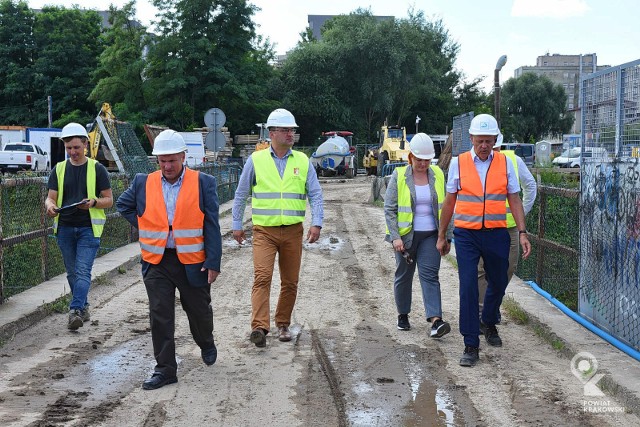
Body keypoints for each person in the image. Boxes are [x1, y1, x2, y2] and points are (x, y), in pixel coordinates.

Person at [116, 130, 222, 390]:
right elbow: (123, 205)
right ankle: (165, 369)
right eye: (162, 161)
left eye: (172, 160)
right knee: (160, 315)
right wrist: (148, 227)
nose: (167, 166)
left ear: (183, 157)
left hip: (193, 260)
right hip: (157, 260)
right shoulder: (143, 182)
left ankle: (205, 342)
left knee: (199, 311)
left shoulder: (203, 182)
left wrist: (213, 261)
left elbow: (212, 225)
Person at [436, 114, 531, 367]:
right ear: (471, 139)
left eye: (489, 141)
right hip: (466, 235)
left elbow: (514, 198)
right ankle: (470, 343)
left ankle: (488, 320)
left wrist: (522, 232)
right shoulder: (459, 163)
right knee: (468, 285)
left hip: (497, 233)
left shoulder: (504, 163)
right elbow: (450, 201)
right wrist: (442, 235)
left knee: (499, 280)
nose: (484, 146)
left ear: (494, 140)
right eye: (480, 141)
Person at [232, 108, 324, 348]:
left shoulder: (303, 161)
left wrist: (317, 222)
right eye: (285, 130)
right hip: (264, 231)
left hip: (293, 231)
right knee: (262, 277)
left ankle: (283, 323)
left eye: (292, 130)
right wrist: (236, 224)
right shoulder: (256, 160)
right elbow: (241, 194)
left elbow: (315, 194)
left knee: (290, 281)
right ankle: (259, 328)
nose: (290, 134)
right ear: (271, 133)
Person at [45, 123, 113, 331]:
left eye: (76, 147)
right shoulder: (59, 169)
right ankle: (83, 307)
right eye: (69, 148)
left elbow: (109, 200)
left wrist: (93, 203)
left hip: (88, 228)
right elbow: (50, 198)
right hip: (64, 227)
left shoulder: (97, 168)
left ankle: (74, 310)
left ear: (85, 144)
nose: (73, 152)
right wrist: (50, 207)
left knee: (82, 271)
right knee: (72, 273)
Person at [384, 133, 452, 338]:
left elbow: (448, 207)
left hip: (431, 235)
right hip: (405, 238)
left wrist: (446, 236)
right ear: (410, 158)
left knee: (430, 276)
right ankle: (403, 314)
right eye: (419, 159)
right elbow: (389, 209)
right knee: (404, 277)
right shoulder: (399, 176)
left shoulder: (438, 174)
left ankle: (436, 321)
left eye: (427, 160)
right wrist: (395, 237)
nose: (423, 164)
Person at [478, 133, 537, 321]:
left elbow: (530, 186)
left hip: (508, 227)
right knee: (481, 270)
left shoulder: (513, 160)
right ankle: (483, 312)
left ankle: (492, 305)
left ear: (498, 145)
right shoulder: (475, 163)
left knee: (506, 270)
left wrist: (521, 215)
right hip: (483, 226)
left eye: (493, 146)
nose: (488, 150)